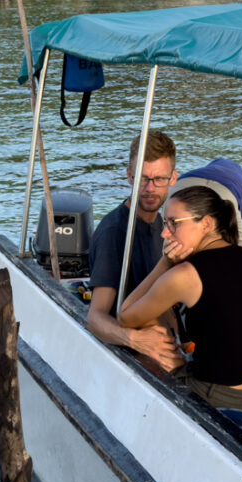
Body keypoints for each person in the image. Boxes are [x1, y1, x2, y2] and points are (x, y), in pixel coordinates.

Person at [118, 184, 242, 424]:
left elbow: (125, 316)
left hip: (223, 401)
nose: (165, 233)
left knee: (136, 348)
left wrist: (165, 263)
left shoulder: (185, 274)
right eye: (165, 223)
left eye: (174, 223)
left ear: (206, 224)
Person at [85, 129, 179, 369]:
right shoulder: (114, 233)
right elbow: (95, 318)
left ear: (173, 178)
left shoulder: (162, 225)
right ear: (129, 176)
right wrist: (137, 341)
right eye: (142, 178)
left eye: (159, 179)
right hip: (132, 355)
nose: (149, 189)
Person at [174, 158, 242, 238]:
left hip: (181, 184)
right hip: (223, 192)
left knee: (172, 235)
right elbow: (237, 238)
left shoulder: (229, 165)